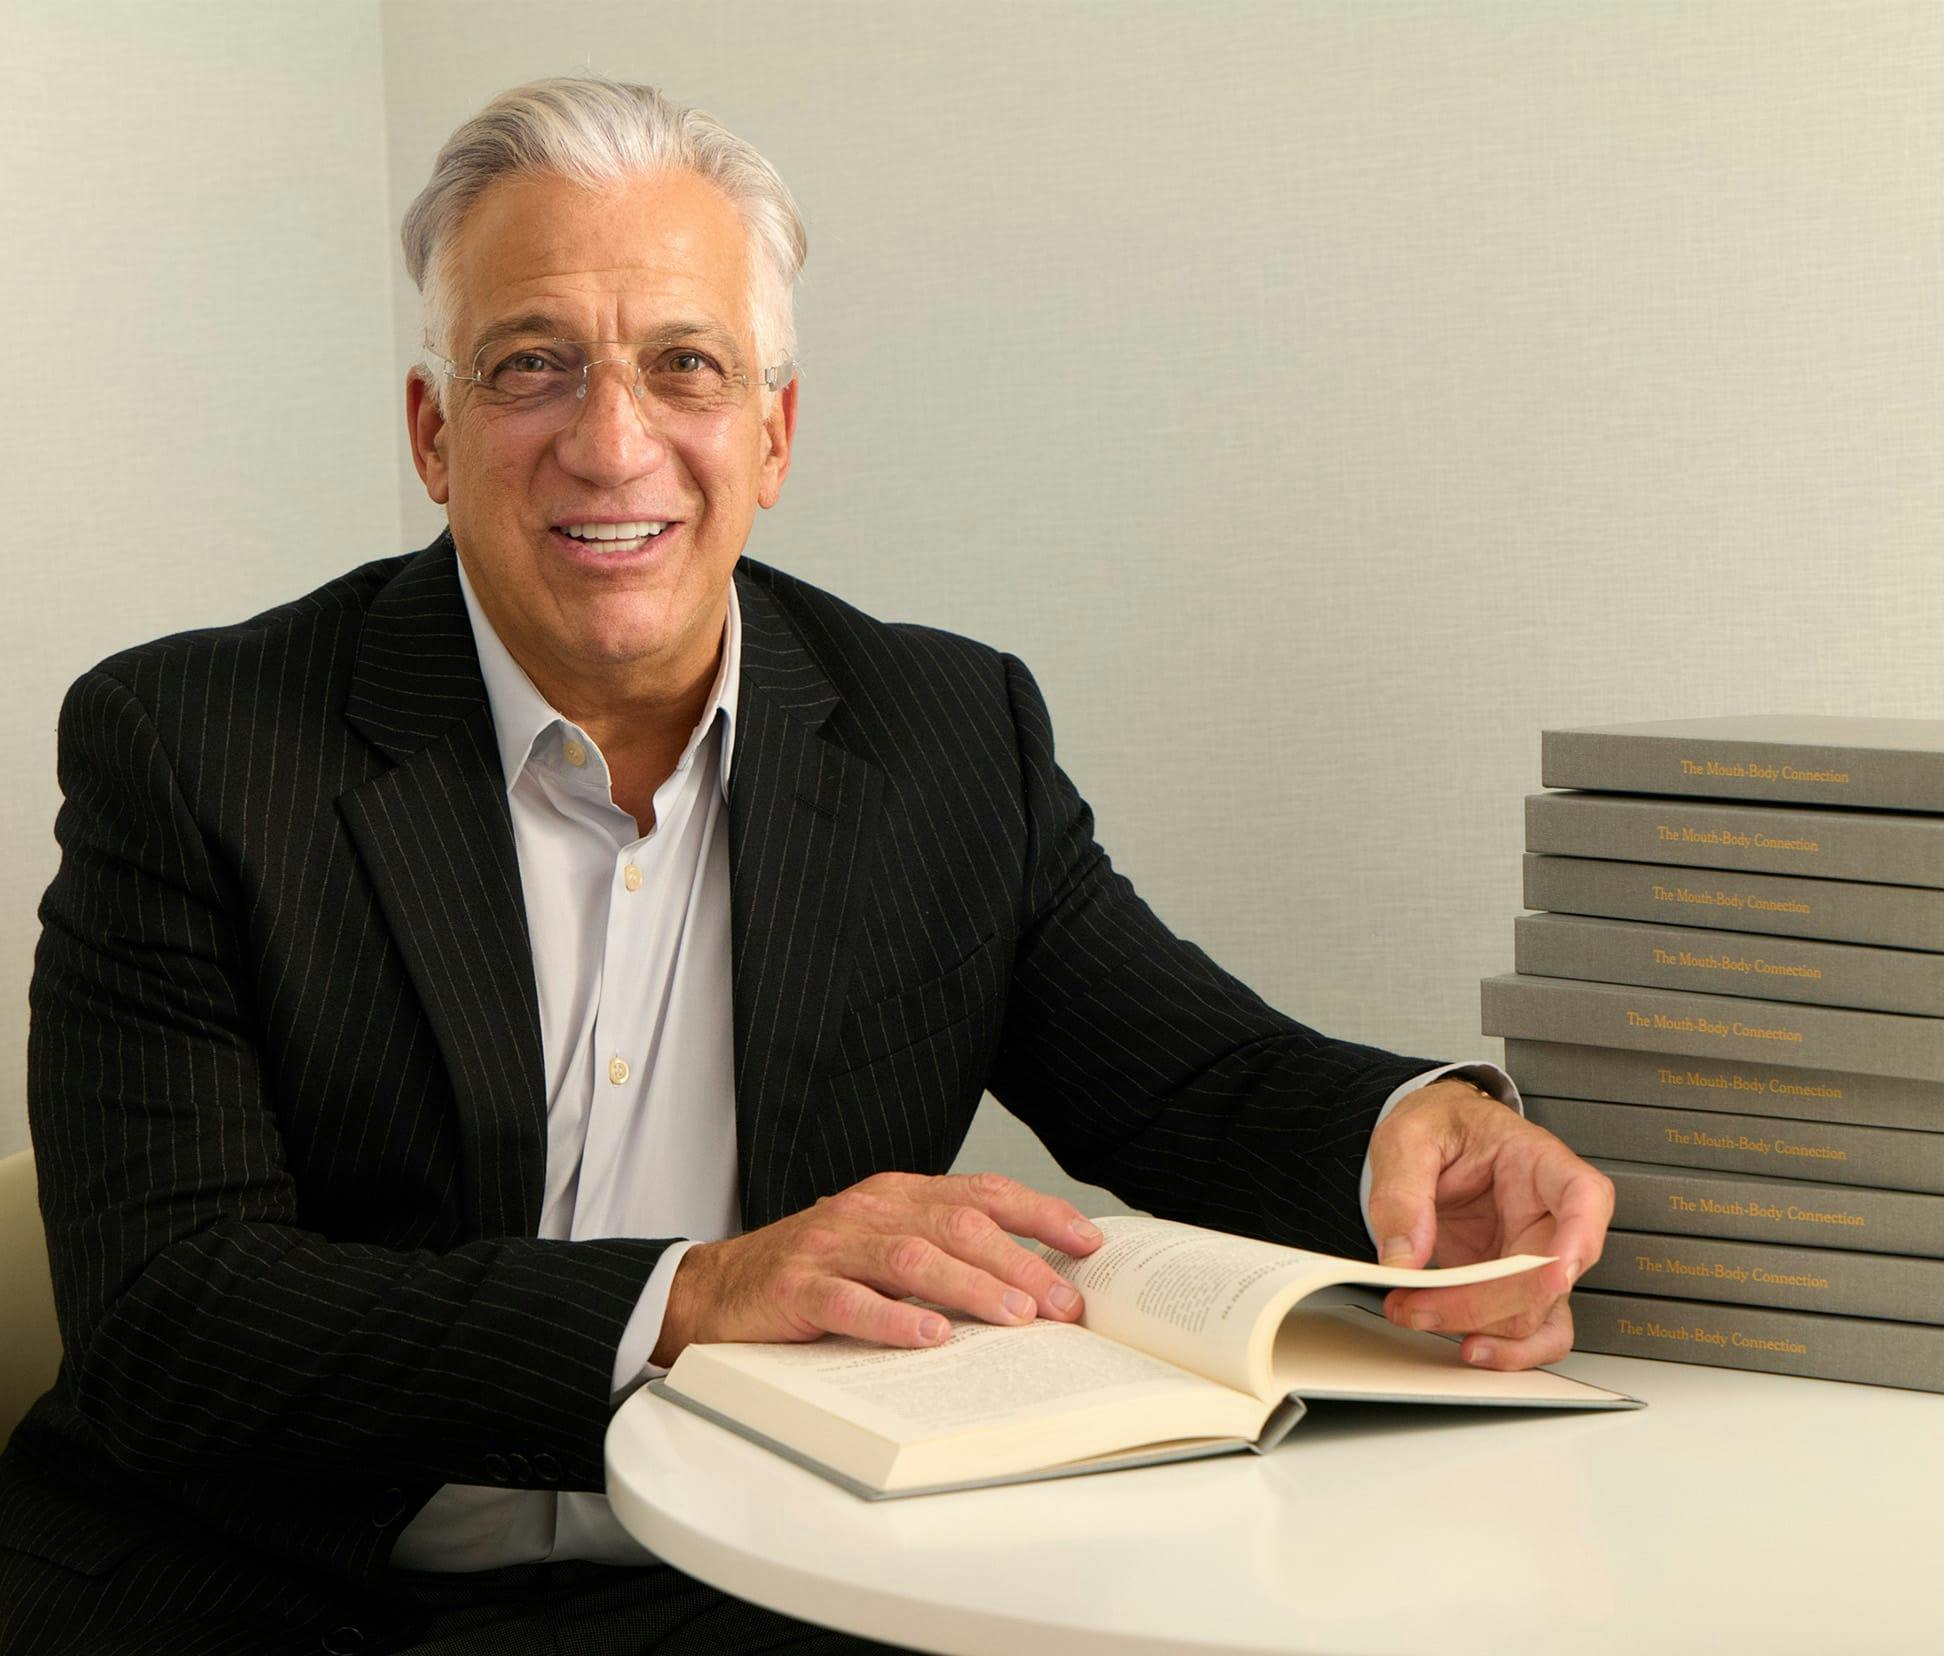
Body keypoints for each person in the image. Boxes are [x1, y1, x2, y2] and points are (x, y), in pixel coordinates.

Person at [0, 76, 1613, 1656]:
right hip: (252, 1588)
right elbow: (172, 1321)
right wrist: (691, 1297)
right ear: (436, 431)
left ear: (773, 434)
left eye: (685, 367)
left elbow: (1193, 1078)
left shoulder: (943, 733)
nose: (612, 442)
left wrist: (1419, 1136)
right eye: (533, 366)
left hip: (747, 1591)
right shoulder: (192, 742)